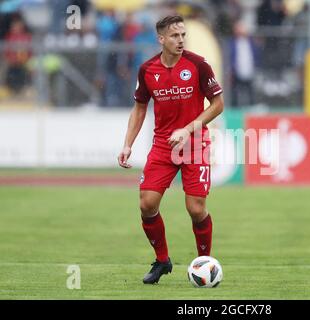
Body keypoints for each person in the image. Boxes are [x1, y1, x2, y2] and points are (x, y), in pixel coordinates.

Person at [117, 15, 224, 284]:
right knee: (146, 203)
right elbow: (140, 107)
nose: (180, 40)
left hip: (195, 144)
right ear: (161, 39)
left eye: (183, 35)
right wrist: (127, 144)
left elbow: (217, 104)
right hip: (163, 145)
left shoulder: (198, 65)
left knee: (196, 209)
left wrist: (189, 128)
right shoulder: (147, 70)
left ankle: (204, 262)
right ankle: (162, 260)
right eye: (175, 36)